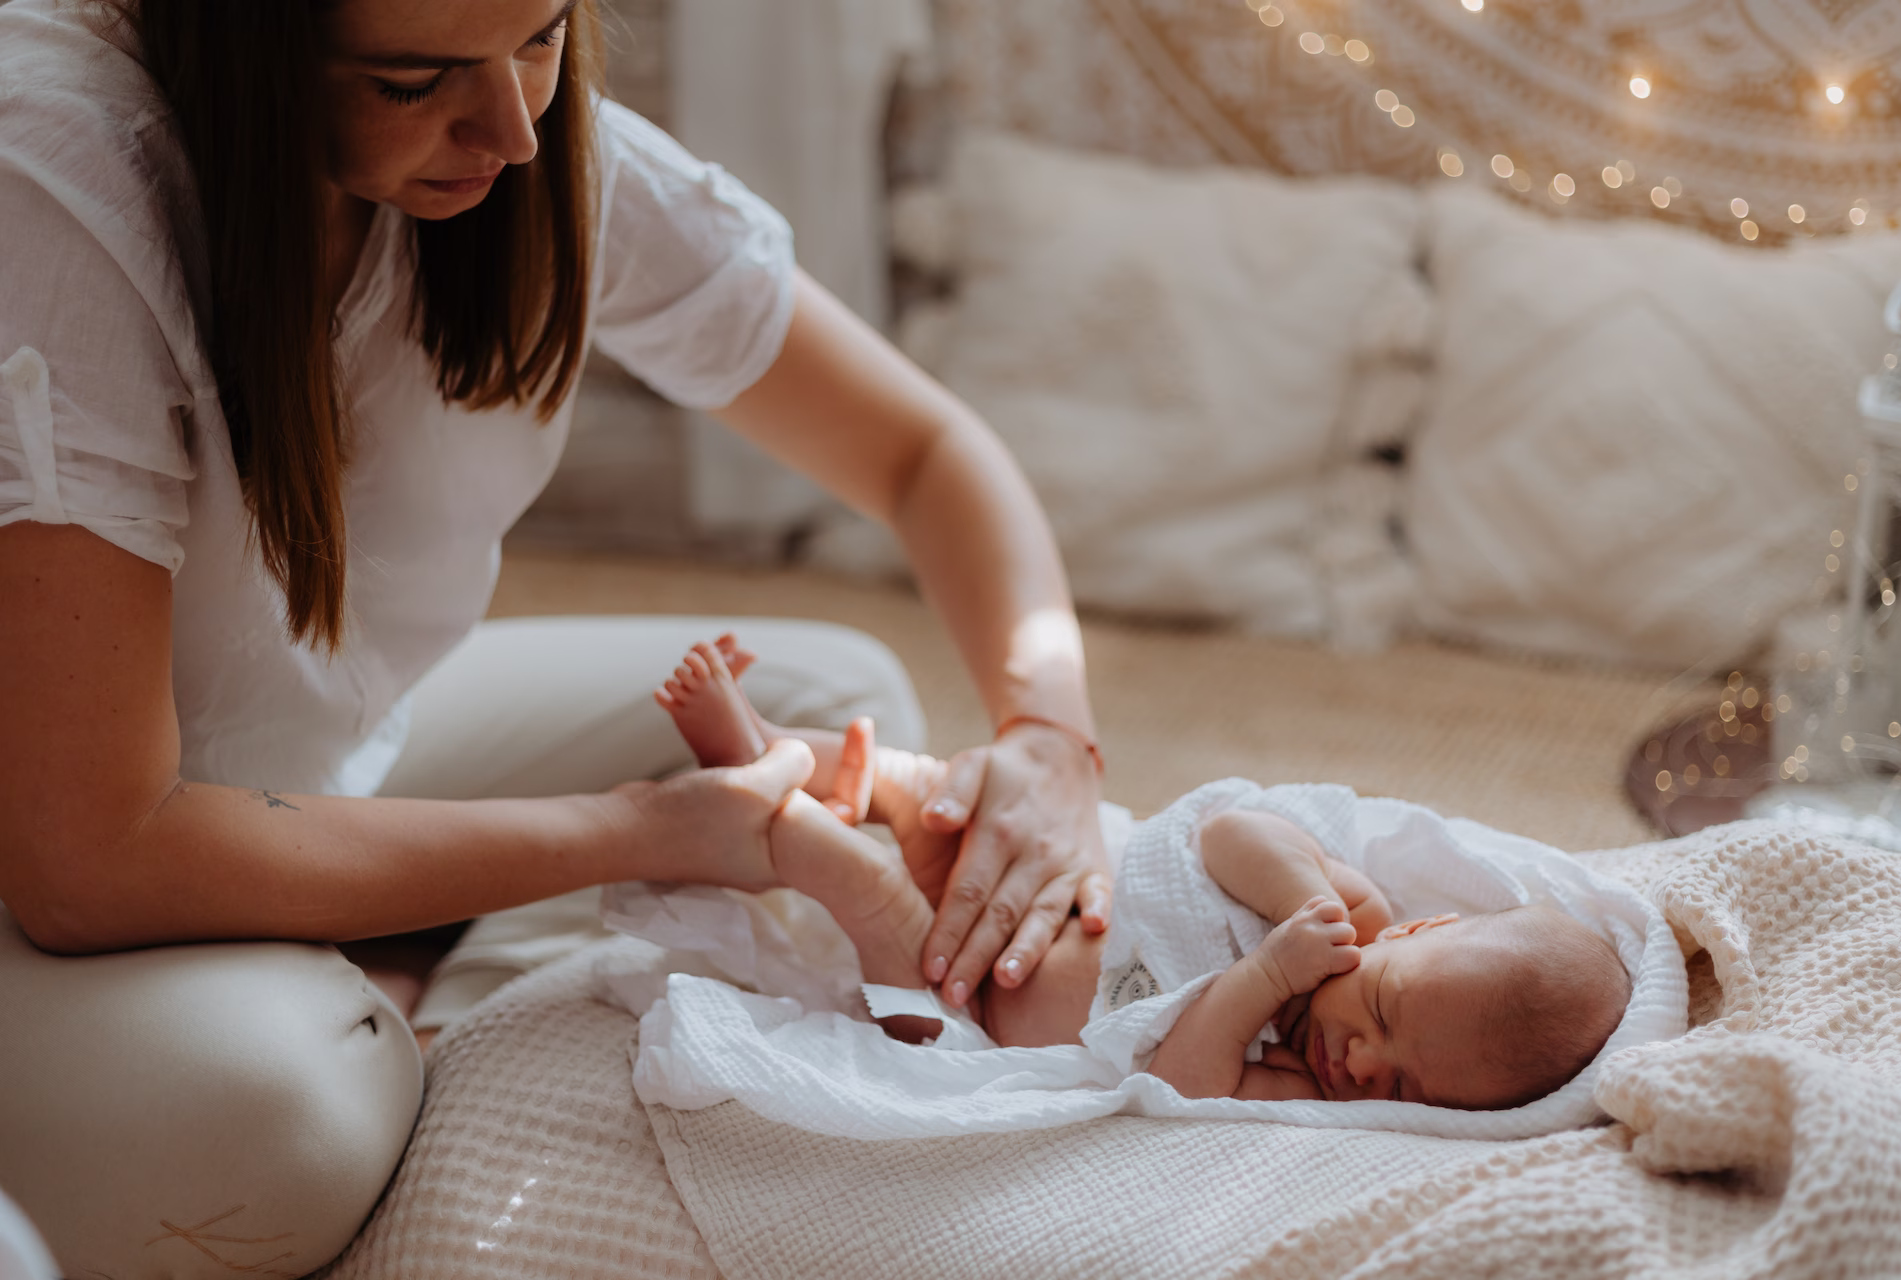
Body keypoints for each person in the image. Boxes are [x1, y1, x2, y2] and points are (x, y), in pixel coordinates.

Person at [0, 0, 1109, 1274]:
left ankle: (412, 984)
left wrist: (1051, 737)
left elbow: (924, 452)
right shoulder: (51, 181)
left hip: (292, 757)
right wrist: (638, 827)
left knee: (838, 695)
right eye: (415, 80)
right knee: (277, 1129)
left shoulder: (544, 150)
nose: (514, 132)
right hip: (54, 854)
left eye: (541, 36)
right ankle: (402, 1003)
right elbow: (89, 857)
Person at [658, 635, 1632, 1109]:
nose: (1367, 1061)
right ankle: (773, 748)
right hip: (1054, 888)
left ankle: (799, 835)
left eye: (1408, 1088)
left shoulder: (1292, 1086)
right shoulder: (1349, 909)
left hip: (964, 1000)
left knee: (891, 944)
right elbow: (1224, 832)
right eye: (1384, 1010)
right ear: (1412, 936)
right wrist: (1302, 907)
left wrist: (1262, 981)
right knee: (935, 790)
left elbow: (1179, 1086)